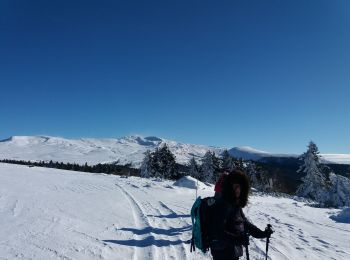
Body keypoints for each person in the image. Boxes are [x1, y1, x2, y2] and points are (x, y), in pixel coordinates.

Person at [207, 169, 273, 260]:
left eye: (240, 187)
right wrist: (238, 239)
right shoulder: (222, 205)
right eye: (235, 186)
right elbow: (218, 232)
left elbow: (245, 224)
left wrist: (262, 234)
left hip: (233, 251)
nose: (238, 189)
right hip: (222, 253)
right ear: (229, 187)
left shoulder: (235, 205)